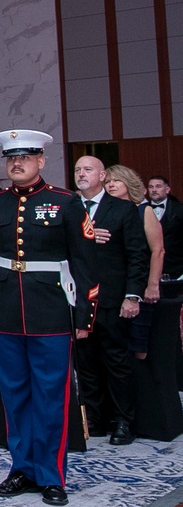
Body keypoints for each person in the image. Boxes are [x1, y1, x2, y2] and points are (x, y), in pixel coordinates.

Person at [0, 129, 97, 507]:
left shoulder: (64, 202)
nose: (17, 163)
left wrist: (85, 315)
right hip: (7, 312)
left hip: (52, 312)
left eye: (25, 157)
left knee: (50, 397)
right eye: (11, 158)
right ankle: (22, 469)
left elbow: (85, 265)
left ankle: (52, 475)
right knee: (14, 396)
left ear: (41, 160)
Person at [73, 155, 149, 444]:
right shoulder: (69, 207)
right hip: (79, 299)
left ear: (102, 175)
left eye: (88, 169)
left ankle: (122, 421)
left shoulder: (122, 209)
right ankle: (93, 417)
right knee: (86, 363)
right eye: (78, 169)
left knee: (117, 362)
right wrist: (87, 236)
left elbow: (137, 255)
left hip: (113, 297)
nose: (81, 174)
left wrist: (132, 296)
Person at [103, 165, 163, 361]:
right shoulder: (104, 213)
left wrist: (152, 285)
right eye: (107, 182)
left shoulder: (143, 211)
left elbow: (158, 251)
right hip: (113, 287)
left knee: (139, 345)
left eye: (116, 180)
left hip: (140, 285)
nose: (111, 185)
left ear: (128, 183)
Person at [147, 175, 182, 278]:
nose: (154, 190)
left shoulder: (179, 209)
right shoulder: (140, 210)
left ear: (167, 189)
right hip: (149, 270)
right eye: (151, 187)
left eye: (158, 186)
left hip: (177, 268)